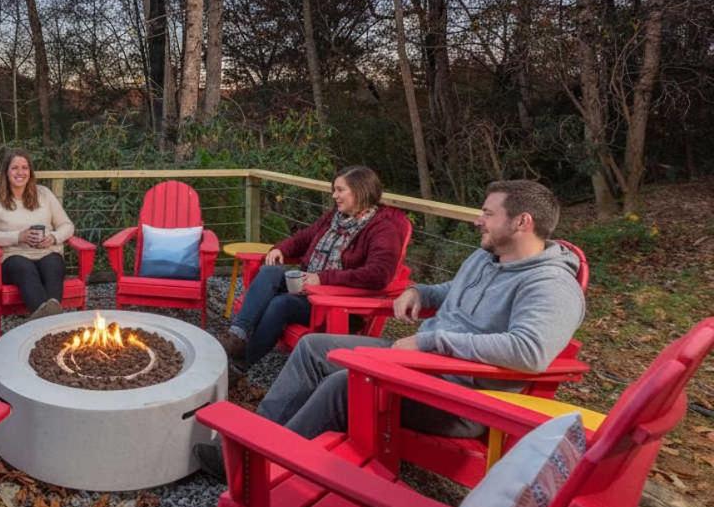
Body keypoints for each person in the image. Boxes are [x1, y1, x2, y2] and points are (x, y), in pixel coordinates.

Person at [195, 179, 586, 480]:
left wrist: (433, 340)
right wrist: (420, 291)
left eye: (487, 213)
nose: (476, 220)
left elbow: (529, 351)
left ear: (522, 222)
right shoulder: (488, 258)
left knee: (343, 385)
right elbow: (451, 290)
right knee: (314, 347)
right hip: (416, 362)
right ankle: (256, 436)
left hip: (459, 396)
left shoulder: (550, 285)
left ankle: (257, 467)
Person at [223, 166, 411, 370]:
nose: (334, 195)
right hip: (308, 288)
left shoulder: (383, 229)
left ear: (360, 191)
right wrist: (280, 249)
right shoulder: (335, 218)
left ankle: (241, 364)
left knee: (281, 304)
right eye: (334, 190)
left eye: (340, 190)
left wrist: (322, 278)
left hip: (337, 305)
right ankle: (237, 336)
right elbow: (304, 238)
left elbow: (378, 274)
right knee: (270, 272)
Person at [0, 149, 75, 319]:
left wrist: (53, 237)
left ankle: (45, 319)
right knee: (23, 266)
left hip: (46, 252)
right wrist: (18, 237)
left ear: (30, 172)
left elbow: (67, 226)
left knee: (53, 262)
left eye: (25, 167)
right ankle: (53, 321)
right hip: (13, 258)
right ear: (6, 172)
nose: (20, 172)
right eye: (15, 168)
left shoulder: (44, 194)